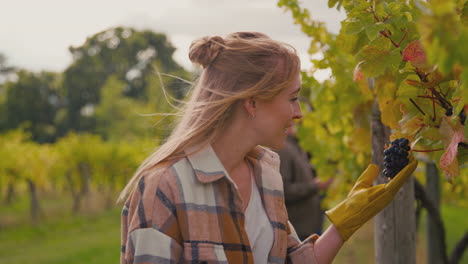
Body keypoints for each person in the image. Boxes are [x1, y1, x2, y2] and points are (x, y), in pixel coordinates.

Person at [118, 32, 418, 264]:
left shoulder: (267, 176)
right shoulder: (165, 187)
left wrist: (345, 222)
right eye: (292, 98)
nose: (299, 112)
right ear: (251, 102)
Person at [277, 125, 333, 239]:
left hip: (309, 225)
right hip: (299, 229)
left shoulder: (296, 146)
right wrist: (315, 186)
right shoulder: (283, 149)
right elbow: (284, 191)